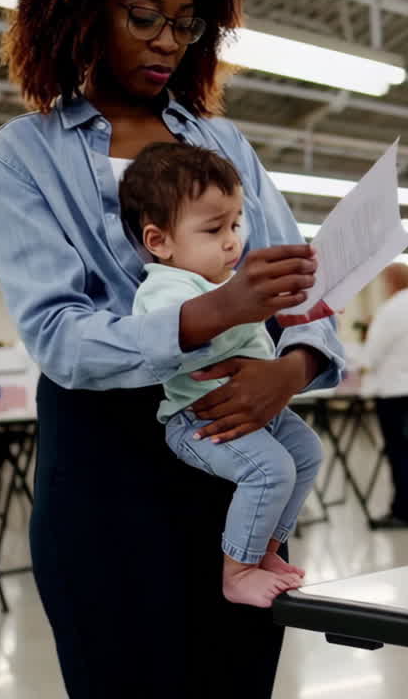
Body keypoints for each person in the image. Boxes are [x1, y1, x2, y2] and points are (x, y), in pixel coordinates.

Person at [0, 0, 342, 695]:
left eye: (185, 24)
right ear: (78, 14)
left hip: (235, 451)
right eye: (144, 17)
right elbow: (58, 335)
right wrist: (215, 312)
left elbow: (299, 284)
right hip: (106, 470)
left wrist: (291, 372)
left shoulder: (222, 142)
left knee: (235, 674)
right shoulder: (26, 153)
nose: (168, 42)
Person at [123, 142, 321, 606]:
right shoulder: (164, 290)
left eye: (234, 224)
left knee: (307, 453)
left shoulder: (221, 281)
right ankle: (238, 570)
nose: (232, 240)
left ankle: (265, 549)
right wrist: (237, 308)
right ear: (160, 242)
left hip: (253, 409)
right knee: (271, 472)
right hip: (197, 418)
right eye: (214, 229)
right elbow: (171, 350)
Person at [364, 263, 408, 529]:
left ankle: (403, 512)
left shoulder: (391, 310)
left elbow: (373, 353)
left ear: (390, 281)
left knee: (399, 454)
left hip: (393, 392)